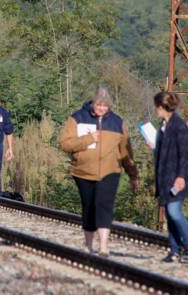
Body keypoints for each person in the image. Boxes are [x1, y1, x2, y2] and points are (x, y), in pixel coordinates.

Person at [59, 87, 138, 257]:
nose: (102, 108)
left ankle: (103, 246)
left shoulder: (117, 122)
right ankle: (88, 245)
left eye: (105, 105)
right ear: (92, 103)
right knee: (89, 207)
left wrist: (133, 175)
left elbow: (126, 151)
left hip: (110, 172)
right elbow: (65, 143)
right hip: (83, 172)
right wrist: (88, 139)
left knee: (104, 205)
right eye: (98, 105)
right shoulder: (77, 118)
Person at [149, 91, 188, 263]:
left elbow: (185, 153)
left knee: (174, 211)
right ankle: (175, 249)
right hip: (166, 177)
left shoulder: (178, 126)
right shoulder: (163, 126)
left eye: (156, 106)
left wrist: (180, 176)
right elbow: (166, 152)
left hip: (177, 178)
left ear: (162, 107)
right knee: (170, 214)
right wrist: (155, 147)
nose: (155, 109)